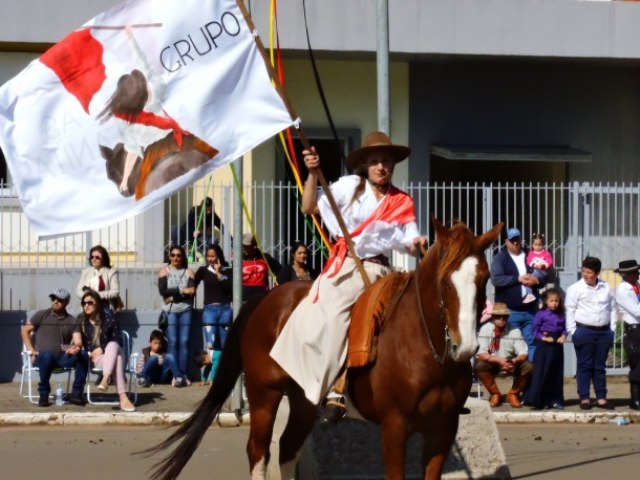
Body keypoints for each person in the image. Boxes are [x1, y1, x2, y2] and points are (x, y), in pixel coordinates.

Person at [270, 131, 427, 423]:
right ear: (365, 166)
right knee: (332, 318)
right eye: (375, 161)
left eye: (386, 161)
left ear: (393, 166)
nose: (381, 167)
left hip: (382, 269)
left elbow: (411, 237)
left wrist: (419, 244)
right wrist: (313, 173)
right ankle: (335, 389)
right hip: (347, 265)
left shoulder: (402, 200)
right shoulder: (349, 187)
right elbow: (308, 207)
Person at [20, 288, 88, 407]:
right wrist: (31, 350)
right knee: (47, 355)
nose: (55, 301)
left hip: (62, 358)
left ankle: (77, 393)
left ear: (67, 302)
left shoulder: (72, 320)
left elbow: (78, 341)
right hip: (42, 358)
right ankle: (44, 393)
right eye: (53, 298)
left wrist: (75, 348)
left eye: (59, 300)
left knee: (82, 354)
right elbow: (25, 331)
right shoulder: (42, 314)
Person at [565, 256, 617, 410]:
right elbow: (570, 311)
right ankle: (585, 398)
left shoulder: (606, 287)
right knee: (584, 365)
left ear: (597, 273)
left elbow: (613, 308)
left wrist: (612, 329)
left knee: (600, 367)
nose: (586, 275)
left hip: (603, 332)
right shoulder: (575, 289)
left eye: (589, 272)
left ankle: (601, 398)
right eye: (584, 271)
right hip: (584, 331)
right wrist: (573, 331)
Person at [490, 227, 545, 362]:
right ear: (506, 242)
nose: (515, 243)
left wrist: (537, 280)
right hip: (511, 310)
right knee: (512, 345)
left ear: (522, 240)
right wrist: (517, 279)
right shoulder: (500, 258)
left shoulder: (531, 255)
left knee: (532, 343)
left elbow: (544, 275)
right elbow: (496, 279)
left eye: (517, 240)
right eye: (512, 240)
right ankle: (516, 378)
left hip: (531, 310)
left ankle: (533, 377)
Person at [78, 290, 135, 412]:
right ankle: (123, 398)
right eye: (84, 303)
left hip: (111, 353)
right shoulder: (81, 321)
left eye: (89, 302)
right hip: (96, 360)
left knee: (112, 344)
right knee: (117, 359)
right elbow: (76, 342)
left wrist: (101, 348)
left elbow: (119, 340)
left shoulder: (109, 319)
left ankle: (105, 378)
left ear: (98, 304)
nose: (86, 305)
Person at [475, 302, 533, 408]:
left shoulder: (515, 330)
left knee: (528, 366)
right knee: (480, 365)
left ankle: (513, 394)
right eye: (498, 316)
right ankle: (495, 394)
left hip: (510, 361)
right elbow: (481, 353)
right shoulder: (485, 329)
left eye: (505, 316)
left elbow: (523, 352)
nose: (501, 319)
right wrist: (498, 360)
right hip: (492, 361)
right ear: (492, 317)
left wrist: (514, 361)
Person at [522, 288, 567, 410]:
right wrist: (544, 338)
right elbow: (534, 330)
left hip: (557, 345)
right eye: (551, 301)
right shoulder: (540, 314)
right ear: (546, 301)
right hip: (544, 346)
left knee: (555, 373)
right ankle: (541, 400)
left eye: (556, 301)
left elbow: (564, 328)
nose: (554, 303)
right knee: (543, 372)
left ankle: (555, 399)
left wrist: (563, 336)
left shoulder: (561, 314)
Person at [158, 245, 196, 387]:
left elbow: (192, 292)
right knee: (173, 342)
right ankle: (175, 375)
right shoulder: (164, 271)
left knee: (184, 342)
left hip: (186, 310)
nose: (175, 257)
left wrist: (173, 296)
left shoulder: (189, 272)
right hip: (171, 312)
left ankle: (183, 373)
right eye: (173, 255)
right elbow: (163, 291)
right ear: (169, 257)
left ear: (183, 257)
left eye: (178, 255)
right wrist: (182, 291)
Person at [194, 244, 232, 354]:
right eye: (208, 256)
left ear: (219, 256)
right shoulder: (203, 270)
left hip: (225, 309)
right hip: (209, 310)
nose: (210, 259)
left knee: (224, 342)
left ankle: (221, 368)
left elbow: (230, 288)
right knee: (211, 343)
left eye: (213, 256)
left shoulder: (227, 270)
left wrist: (219, 274)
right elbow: (193, 284)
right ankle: (212, 368)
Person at [613, 259, 640, 410]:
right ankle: (635, 399)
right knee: (637, 364)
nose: (637, 274)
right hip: (634, 329)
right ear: (626, 274)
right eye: (634, 272)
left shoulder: (635, 286)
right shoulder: (623, 290)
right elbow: (636, 311)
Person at [76, 245, 123, 312]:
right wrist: (88, 297)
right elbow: (78, 291)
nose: (94, 259)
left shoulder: (111, 272)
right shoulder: (85, 272)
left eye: (97, 257)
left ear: (104, 259)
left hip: (105, 308)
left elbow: (115, 292)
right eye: (92, 257)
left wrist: (96, 295)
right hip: (88, 309)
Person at [241, 233, 282, 301]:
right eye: (243, 246)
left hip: (262, 296)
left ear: (254, 246)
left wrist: (276, 286)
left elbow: (280, 271)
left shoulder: (264, 257)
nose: (244, 248)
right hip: (245, 297)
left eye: (246, 246)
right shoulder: (239, 260)